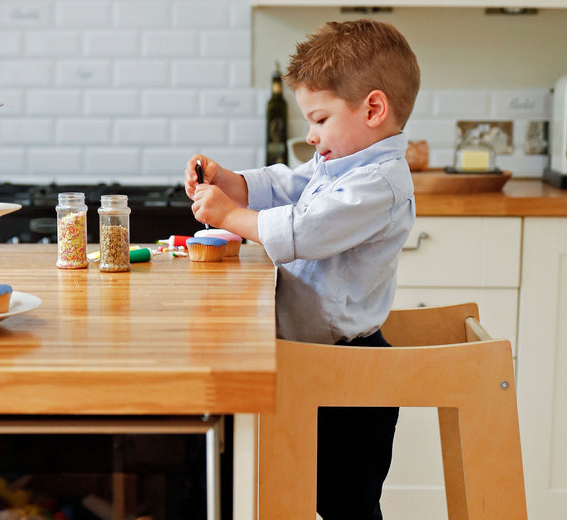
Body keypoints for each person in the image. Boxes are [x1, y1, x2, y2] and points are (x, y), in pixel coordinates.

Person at [183, 19, 420, 520]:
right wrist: (231, 181)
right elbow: (287, 186)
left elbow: (304, 230)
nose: (311, 136)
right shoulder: (343, 163)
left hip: (350, 369)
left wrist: (229, 216)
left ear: (373, 109)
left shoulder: (379, 182)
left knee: (347, 504)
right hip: (316, 360)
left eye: (319, 119)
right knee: (311, 490)